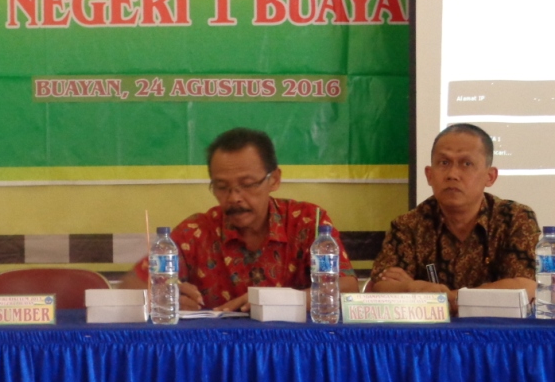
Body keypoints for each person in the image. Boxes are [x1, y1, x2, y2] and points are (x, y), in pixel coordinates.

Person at [123, 127, 357, 311]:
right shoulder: (195, 232)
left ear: (274, 179)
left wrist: (276, 300)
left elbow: (347, 289)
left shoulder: (308, 221)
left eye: (247, 185)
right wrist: (164, 297)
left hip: (295, 350)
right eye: (222, 187)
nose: (234, 198)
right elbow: (130, 287)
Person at [368, 123, 538, 308]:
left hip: (497, 327)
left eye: (466, 164)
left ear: (490, 177)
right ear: (429, 175)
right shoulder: (408, 225)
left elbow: (526, 287)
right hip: (431, 327)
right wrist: (414, 287)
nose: (452, 174)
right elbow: (381, 285)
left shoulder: (515, 219)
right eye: (444, 163)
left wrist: (449, 298)